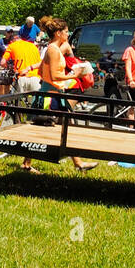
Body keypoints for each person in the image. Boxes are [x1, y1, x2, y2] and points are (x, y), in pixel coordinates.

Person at [31, 16, 95, 172]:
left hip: (55, 94)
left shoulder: (53, 49)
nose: (68, 34)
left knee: (66, 125)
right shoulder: (53, 50)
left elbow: (41, 72)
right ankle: (26, 163)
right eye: (66, 32)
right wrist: (75, 75)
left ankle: (78, 163)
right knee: (41, 130)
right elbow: (54, 76)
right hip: (50, 97)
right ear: (58, 33)